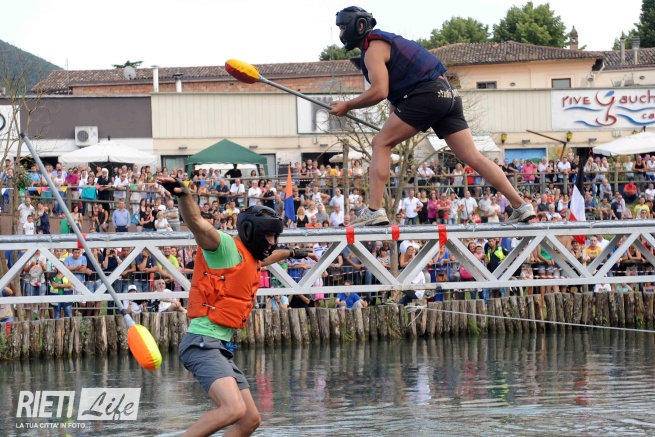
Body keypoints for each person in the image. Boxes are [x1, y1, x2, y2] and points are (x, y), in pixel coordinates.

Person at [330, 7, 535, 227]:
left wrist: (348, 105)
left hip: (427, 95)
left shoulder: (372, 49)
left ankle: (374, 210)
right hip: (448, 94)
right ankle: (521, 205)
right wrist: (393, 124)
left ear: (359, 26)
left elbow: (379, 91)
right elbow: (394, 97)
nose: (341, 34)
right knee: (473, 156)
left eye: (342, 27)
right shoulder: (391, 44)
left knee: (380, 143)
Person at [157, 176, 316, 436]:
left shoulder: (251, 257)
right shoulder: (224, 247)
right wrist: (183, 195)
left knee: (249, 419)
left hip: (219, 347)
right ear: (252, 232)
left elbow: (266, 259)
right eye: (269, 236)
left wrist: (291, 252)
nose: (272, 242)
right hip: (202, 343)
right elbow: (197, 223)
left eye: (275, 237)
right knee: (232, 409)